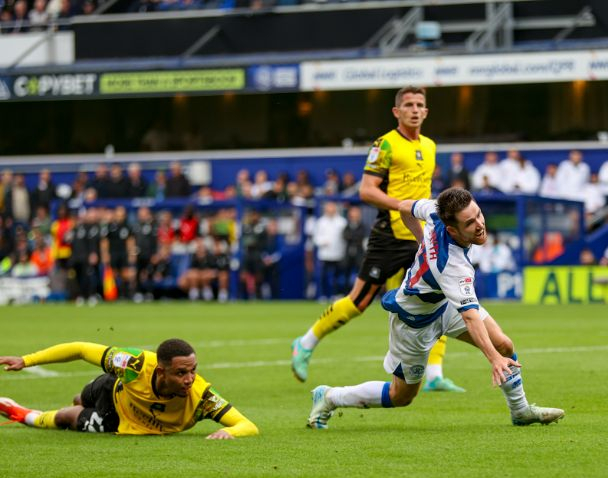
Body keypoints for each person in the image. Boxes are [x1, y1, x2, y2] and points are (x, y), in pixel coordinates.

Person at [306, 188, 564, 429]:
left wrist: (422, 241)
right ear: (452, 230)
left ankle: (520, 411)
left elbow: (404, 207)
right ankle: (330, 396)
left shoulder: (434, 210)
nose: (480, 224)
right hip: (414, 322)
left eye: (478, 214)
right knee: (401, 396)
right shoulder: (452, 266)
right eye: (470, 223)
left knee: (504, 344)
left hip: (443, 304)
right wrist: (493, 359)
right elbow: (470, 317)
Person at [291, 86, 463, 392]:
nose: (414, 109)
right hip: (389, 235)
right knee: (359, 301)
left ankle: (435, 375)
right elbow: (366, 190)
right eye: (408, 105)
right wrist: (401, 205)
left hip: (420, 235)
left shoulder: (430, 146)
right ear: (397, 111)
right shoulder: (385, 144)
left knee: (439, 295)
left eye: (419, 105)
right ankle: (305, 343)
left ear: (426, 111)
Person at [0, 339, 257, 439]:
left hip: (120, 421)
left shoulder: (203, 398)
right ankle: (82, 400)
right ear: (160, 371)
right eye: (181, 373)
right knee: (82, 397)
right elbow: (80, 349)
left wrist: (228, 432)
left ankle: (21, 413)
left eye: (193, 370)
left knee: (67, 418)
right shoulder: (135, 364)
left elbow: (248, 426)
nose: (190, 379)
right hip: (113, 389)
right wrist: (26, 360)